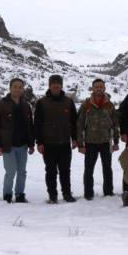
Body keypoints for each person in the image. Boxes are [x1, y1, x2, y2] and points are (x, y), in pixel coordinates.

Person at [0, 78, 35, 203]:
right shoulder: (1, 104)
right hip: (7, 145)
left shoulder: (26, 105)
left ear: (23, 89)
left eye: (20, 87)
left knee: (22, 172)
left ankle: (20, 194)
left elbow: (30, 126)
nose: (17, 89)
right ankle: (7, 195)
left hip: (23, 145)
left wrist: (31, 144)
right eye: (15, 87)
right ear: (10, 88)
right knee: (10, 171)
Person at [34, 75, 78, 203]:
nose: (56, 85)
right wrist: (39, 142)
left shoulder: (68, 102)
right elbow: (37, 124)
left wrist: (74, 139)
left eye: (58, 83)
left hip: (64, 142)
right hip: (48, 143)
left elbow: (74, 122)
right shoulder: (42, 102)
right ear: (49, 85)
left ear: (61, 85)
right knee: (51, 171)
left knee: (65, 171)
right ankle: (52, 196)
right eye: (53, 83)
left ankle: (67, 194)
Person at [77, 79, 120, 200]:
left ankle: (108, 192)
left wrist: (116, 142)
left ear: (104, 88)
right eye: (96, 87)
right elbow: (79, 124)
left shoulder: (110, 105)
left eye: (101, 87)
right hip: (90, 142)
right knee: (89, 169)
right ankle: (88, 193)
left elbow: (115, 124)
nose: (99, 89)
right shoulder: (86, 105)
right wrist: (80, 144)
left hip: (106, 142)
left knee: (107, 168)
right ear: (92, 88)